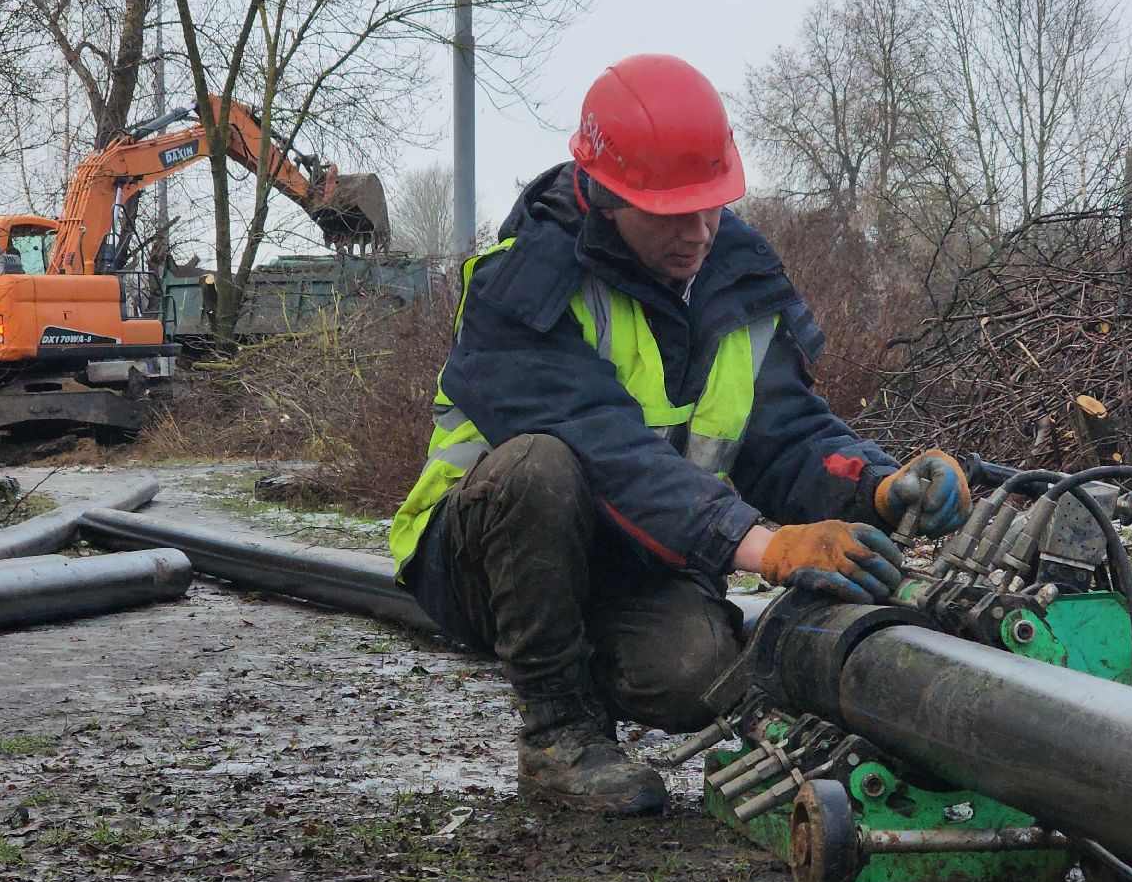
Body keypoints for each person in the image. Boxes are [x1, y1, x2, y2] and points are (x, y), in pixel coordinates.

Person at [388, 54, 973, 815]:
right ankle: (559, 734)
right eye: (672, 212)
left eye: (712, 205)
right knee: (540, 468)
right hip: (481, 552)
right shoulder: (523, 286)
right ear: (604, 195)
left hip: (634, 555)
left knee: (700, 678)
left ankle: (583, 652)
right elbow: (609, 457)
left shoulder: (733, 269)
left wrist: (878, 485)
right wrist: (767, 546)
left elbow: (785, 429)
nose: (699, 231)